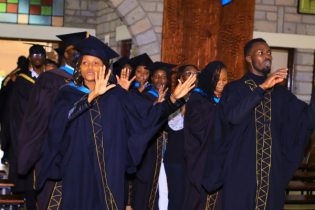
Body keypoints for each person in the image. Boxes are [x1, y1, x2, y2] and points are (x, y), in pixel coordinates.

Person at [36, 36, 196, 210]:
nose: (90, 67)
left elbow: (146, 116)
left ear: (104, 67)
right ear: (78, 67)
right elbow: (60, 122)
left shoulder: (116, 95)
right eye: (85, 63)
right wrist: (90, 97)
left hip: (108, 170)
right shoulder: (67, 93)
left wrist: (173, 100)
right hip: (76, 168)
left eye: (96, 63)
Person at [202, 38, 315, 210]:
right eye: (260, 53)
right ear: (248, 58)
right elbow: (233, 117)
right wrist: (261, 88)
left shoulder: (280, 93)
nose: (267, 56)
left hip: (271, 175)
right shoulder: (235, 89)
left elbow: (306, 118)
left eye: (269, 52)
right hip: (240, 172)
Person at [16, 32, 89, 210]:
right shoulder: (51, 79)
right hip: (55, 152)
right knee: (54, 200)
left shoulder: (91, 81)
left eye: (81, 51)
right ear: (64, 54)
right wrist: (30, 152)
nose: (78, 54)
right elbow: (37, 119)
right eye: (74, 51)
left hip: (84, 154)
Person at [183, 61, 227, 210]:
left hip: (221, 158)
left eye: (224, 80)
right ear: (209, 79)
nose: (221, 83)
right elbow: (196, 130)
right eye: (217, 79)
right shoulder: (197, 100)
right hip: (201, 160)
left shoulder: (227, 99)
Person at [7, 44, 46, 210]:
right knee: (29, 180)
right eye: (34, 54)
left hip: (46, 135)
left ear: (44, 57)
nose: (37, 57)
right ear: (30, 57)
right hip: (27, 133)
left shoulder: (50, 78)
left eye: (40, 54)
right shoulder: (22, 81)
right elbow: (15, 110)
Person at [133, 62, 176, 210]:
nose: (159, 80)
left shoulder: (175, 98)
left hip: (169, 151)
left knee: (165, 189)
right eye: (156, 77)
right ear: (151, 79)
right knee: (148, 186)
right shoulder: (144, 98)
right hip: (150, 150)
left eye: (163, 77)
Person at [164, 64, 199, 210]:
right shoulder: (173, 96)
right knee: (176, 197)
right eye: (188, 73)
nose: (192, 76)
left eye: (195, 73)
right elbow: (171, 125)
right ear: (180, 77)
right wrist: (183, 111)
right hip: (176, 156)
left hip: (195, 157)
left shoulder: (201, 97)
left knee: (191, 199)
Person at [0, 56, 29, 165]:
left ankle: (7, 156)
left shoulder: (11, 75)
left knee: (8, 133)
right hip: (17, 110)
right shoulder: (23, 76)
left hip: (6, 109)